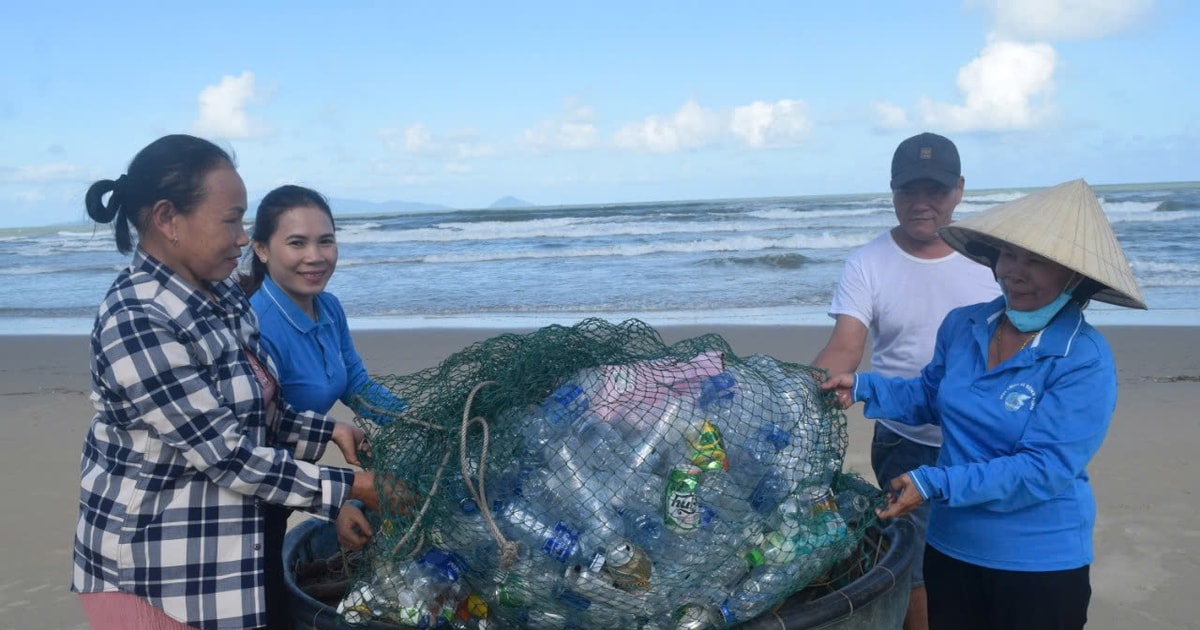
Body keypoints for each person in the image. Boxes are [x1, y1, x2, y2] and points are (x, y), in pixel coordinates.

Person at [72, 135, 384, 630]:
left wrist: (328, 433)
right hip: (155, 574)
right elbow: (227, 454)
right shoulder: (137, 318)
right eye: (231, 219)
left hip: (229, 552)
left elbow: (260, 412)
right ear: (168, 219)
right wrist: (357, 485)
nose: (243, 238)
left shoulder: (221, 293)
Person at [823, 179, 1146, 630]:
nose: (1015, 271)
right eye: (1009, 254)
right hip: (949, 548)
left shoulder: (1083, 359)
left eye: (1037, 260)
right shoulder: (965, 324)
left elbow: (1043, 469)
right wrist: (860, 386)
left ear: (1075, 276)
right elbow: (930, 397)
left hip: (1038, 563)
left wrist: (934, 482)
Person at [811, 132, 999, 630]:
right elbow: (846, 346)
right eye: (908, 190)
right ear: (892, 191)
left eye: (934, 191)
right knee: (915, 569)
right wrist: (808, 388)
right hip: (904, 439)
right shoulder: (867, 263)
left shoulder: (997, 260)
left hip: (986, 438)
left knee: (984, 554)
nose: (921, 204)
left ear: (959, 189)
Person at [242, 184, 412, 629]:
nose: (315, 257)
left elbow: (354, 382)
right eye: (296, 243)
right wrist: (335, 506)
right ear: (261, 249)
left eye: (326, 240)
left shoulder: (329, 308)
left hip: (309, 476)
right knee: (268, 608)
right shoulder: (256, 327)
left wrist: (416, 418)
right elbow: (259, 443)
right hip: (259, 492)